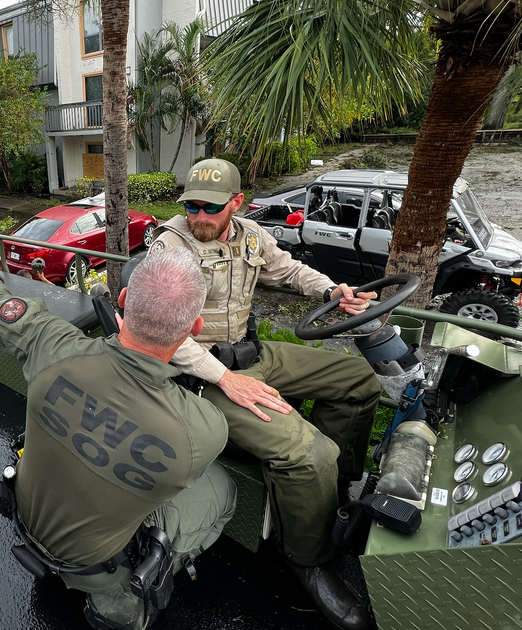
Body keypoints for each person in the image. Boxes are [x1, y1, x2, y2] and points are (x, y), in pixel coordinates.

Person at [0, 220, 237, 630]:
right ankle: (117, 603)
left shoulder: (51, 345)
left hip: (25, 520)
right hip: (97, 569)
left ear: (121, 300)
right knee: (222, 488)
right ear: (194, 329)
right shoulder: (204, 429)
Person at [150, 158, 380, 630]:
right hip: (200, 375)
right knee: (308, 453)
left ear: (237, 203)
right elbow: (166, 333)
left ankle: (333, 492)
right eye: (190, 205)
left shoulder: (252, 237)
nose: (198, 216)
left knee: (360, 383)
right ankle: (306, 557)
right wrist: (224, 378)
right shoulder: (169, 248)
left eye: (210, 207)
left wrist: (333, 291)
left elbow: (290, 271)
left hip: (252, 354)